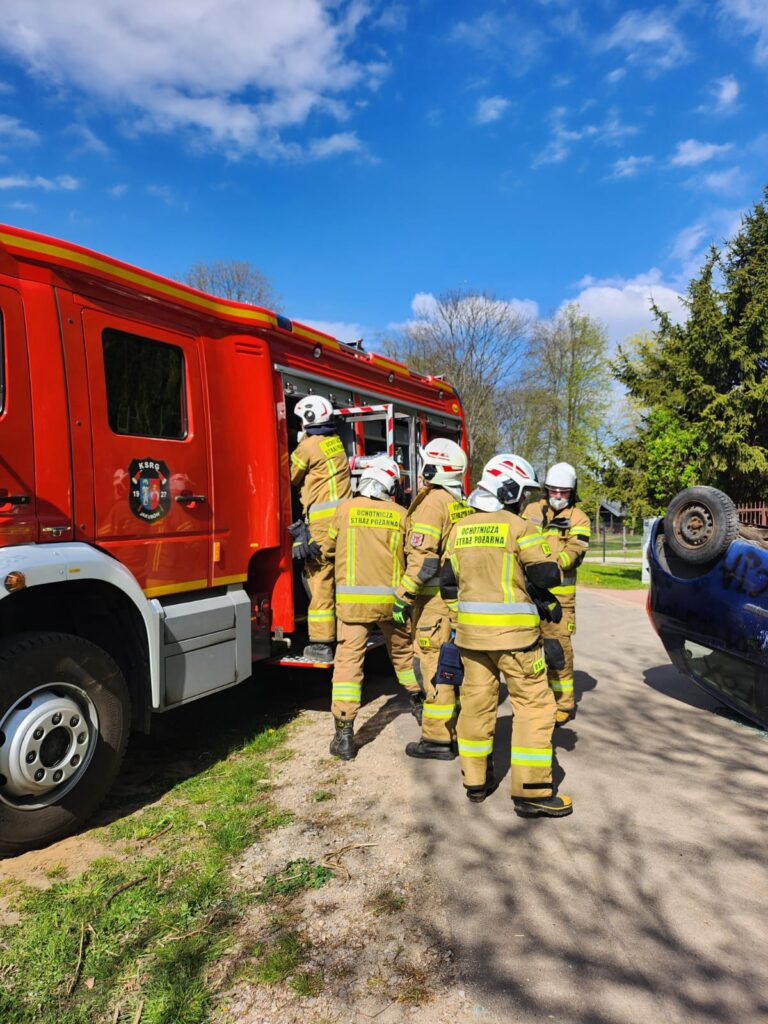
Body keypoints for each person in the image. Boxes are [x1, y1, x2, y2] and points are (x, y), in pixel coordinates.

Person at [440, 454, 573, 817]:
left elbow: (447, 585)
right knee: (534, 708)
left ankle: (475, 783)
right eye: (523, 492)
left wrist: (462, 620)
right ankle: (531, 792)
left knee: (476, 707)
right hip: (516, 641)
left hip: (470, 641)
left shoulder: (459, 529)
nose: (524, 499)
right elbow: (547, 576)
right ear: (509, 488)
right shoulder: (519, 526)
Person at [322, 456, 421, 760]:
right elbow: (414, 555)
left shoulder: (344, 511)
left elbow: (326, 549)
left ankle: (344, 736)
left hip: (353, 606)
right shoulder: (401, 514)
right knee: (404, 655)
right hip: (393, 603)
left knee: (349, 664)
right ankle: (422, 706)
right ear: (390, 484)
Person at [392, 438, 472, 760]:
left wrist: (403, 595)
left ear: (433, 468)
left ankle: (437, 740)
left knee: (434, 667)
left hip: (433, 604)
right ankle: (457, 731)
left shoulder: (433, 502)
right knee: (454, 667)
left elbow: (424, 560)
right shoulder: (459, 502)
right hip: (454, 601)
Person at [523, 462, 591, 725]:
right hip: (527, 593)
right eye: (553, 491)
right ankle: (537, 699)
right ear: (546, 489)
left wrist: (550, 565)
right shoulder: (529, 511)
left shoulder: (579, 518)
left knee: (557, 650)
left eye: (563, 492)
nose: (558, 496)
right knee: (527, 647)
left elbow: (575, 552)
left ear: (572, 492)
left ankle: (563, 704)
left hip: (558, 598)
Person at [289, 395, 352, 661]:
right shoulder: (334, 443)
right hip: (343, 519)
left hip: (323, 523)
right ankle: (346, 632)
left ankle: (321, 643)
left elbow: (290, 477)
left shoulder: (308, 446)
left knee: (319, 576)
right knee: (340, 576)